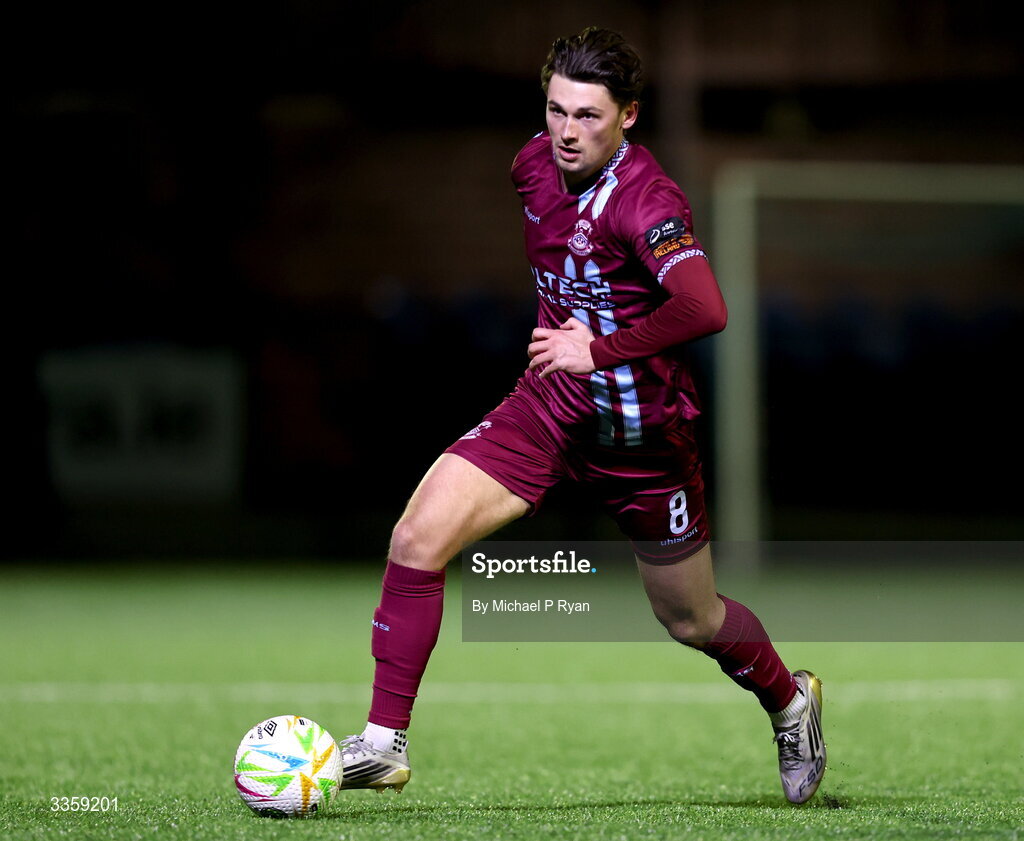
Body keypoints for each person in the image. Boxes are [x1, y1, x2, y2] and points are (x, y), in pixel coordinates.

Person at [337, 26, 826, 805]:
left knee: (692, 620)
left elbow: (707, 306)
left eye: (589, 116)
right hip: (550, 410)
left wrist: (597, 351)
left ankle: (791, 702)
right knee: (416, 535)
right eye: (557, 110)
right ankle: (382, 743)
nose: (567, 131)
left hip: (642, 438)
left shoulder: (648, 201)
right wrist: (572, 356)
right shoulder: (533, 164)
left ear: (629, 115)